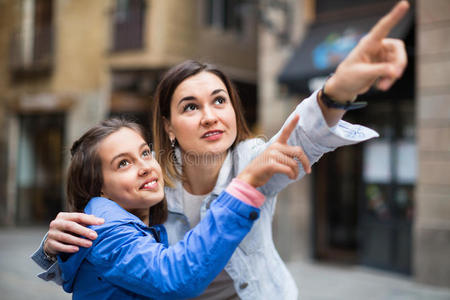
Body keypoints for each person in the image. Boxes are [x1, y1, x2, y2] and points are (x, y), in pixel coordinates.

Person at [31, 1, 410, 299]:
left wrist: (338, 89)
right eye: (191, 107)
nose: (210, 116)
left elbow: (302, 135)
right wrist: (54, 249)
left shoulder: (251, 161)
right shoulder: (153, 182)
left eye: (219, 101)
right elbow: (118, 261)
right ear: (168, 127)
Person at [55, 116, 307, 299]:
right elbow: (174, 278)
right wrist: (244, 186)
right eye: (123, 164)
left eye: (145, 153)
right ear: (99, 187)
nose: (144, 166)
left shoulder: (138, 213)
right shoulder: (104, 227)